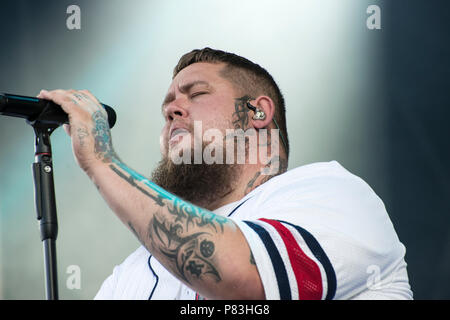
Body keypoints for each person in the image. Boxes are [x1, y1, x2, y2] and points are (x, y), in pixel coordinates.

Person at [37, 47, 413, 300]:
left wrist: (102, 161)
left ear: (258, 113)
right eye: (167, 105)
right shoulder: (131, 274)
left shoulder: (333, 195)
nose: (172, 110)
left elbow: (241, 275)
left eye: (196, 93)